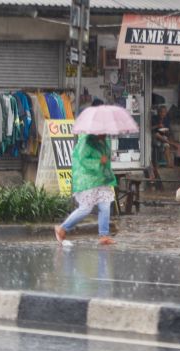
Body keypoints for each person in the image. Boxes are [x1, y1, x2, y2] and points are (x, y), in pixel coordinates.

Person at [54, 101, 117, 245]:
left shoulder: (104, 140)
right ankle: (62, 228)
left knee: (105, 205)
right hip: (87, 179)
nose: (105, 133)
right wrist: (98, 162)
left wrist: (106, 163)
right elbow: (81, 159)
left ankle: (103, 235)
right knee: (86, 208)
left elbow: (105, 158)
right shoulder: (86, 140)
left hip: (101, 178)